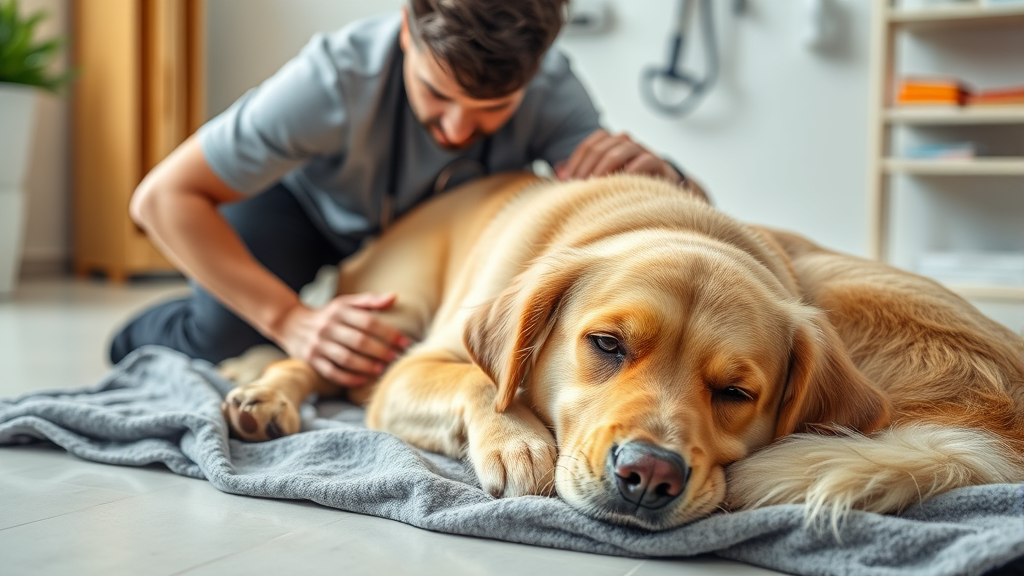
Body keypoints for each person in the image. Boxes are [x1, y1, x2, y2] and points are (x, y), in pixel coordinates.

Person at [110, 0, 706, 387]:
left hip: (423, 244)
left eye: (492, 109)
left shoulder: (551, 86)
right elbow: (161, 199)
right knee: (227, 334)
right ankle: (142, 333)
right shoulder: (332, 79)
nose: (455, 131)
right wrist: (290, 319)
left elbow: (663, 212)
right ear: (405, 30)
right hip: (302, 209)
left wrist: (664, 177)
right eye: (436, 94)